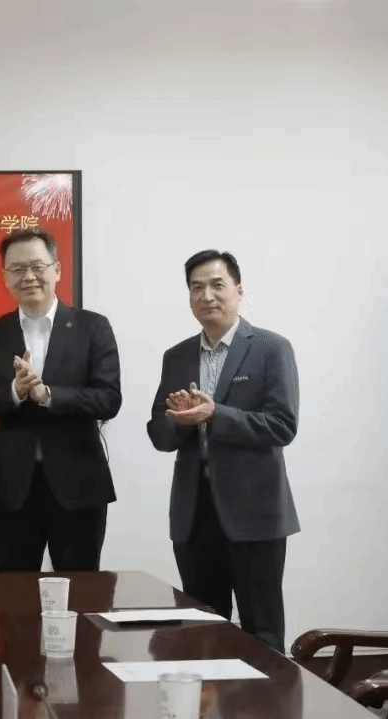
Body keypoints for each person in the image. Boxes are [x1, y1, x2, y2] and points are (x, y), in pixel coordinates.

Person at [146, 249, 300, 654]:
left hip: (255, 514)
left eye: (217, 285)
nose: (207, 296)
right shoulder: (177, 356)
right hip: (194, 515)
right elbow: (159, 433)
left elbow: (282, 426)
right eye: (197, 288)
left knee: (261, 635)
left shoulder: (270, 348)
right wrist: (180, 420)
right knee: (202, 632)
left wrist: (216, 414)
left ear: (239, 290)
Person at [0, 228, 122, 572]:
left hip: (79, 486)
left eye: (37, 267)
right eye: (17, 269)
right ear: (5, 277)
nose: (29, 277)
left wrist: (48, 395)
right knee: (14, 593)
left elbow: (108, 399)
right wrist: (15, 392)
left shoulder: (92, 327)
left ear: (57, 270)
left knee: (80, 591)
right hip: (12, 490)